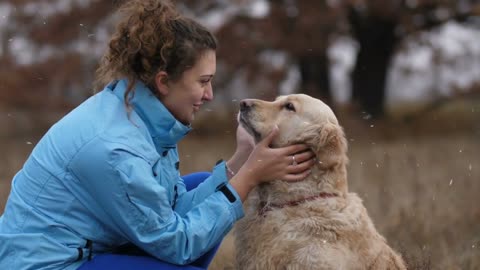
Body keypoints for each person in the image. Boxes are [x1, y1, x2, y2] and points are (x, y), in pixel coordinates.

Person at [0, 0, 315, 269]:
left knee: (198, 185)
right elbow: (177, 244)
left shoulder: (142, 112)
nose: (210, 95)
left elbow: (172, 206)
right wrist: (248, 177)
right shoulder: (115, 150)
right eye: (203, 81)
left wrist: (242, 158)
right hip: (48, 262)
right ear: (164, 81)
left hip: (90, 243)